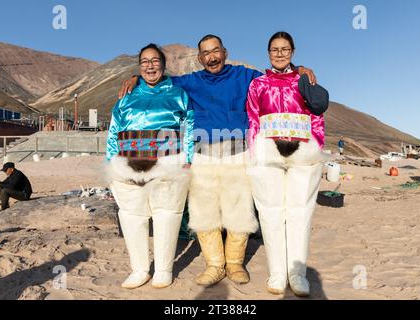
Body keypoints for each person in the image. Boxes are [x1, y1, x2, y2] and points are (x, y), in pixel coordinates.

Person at [118, 35, 317, 287]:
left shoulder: (245, 76)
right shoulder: (190, 82)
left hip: (238, 154)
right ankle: (214, 264)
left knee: (240, 211)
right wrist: (136, 78)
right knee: (204, 213)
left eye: (215, 51)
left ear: (224, 52)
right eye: (205, 53)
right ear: (200, 58)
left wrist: (298, 69)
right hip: (203, 155)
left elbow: (275, 74)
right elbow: (158, 79)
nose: (211, 57)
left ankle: (234, 263)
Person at [245, 31, 329, 297]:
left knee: (299, 212)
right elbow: (253, 119)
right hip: (268, 153)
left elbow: (317, 116)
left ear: (292, 51)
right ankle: (277, 273)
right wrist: (255, 151)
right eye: (274, 49)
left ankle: (297, 273)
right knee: (270, 213)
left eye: (284, 49)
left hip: (302, 154)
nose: (280, 54)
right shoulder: (258, 84)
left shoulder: (304, 80)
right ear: (268, 53)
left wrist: (314, 146)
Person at [106, 43, 194, 289]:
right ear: (138, 66)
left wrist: (187, 159)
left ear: (163, 65)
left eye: (155, 61)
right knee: (133, 215)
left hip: (168, 160)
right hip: (129, 161)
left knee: (166, 214)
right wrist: (111, 162)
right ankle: (140, 269)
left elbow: (189, 127)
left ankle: (164, 269)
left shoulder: (178, 94)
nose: (150, 66)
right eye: (144, 61)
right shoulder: (126, 96)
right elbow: (114, 130)